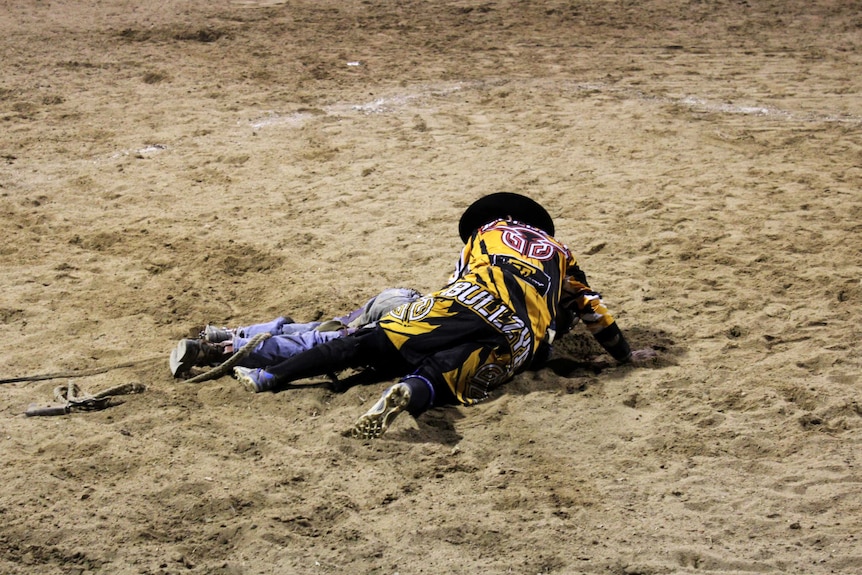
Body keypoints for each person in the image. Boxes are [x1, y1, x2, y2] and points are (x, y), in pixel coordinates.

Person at [233, 192, 657, 439]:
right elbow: (594, 312)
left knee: (363, 342)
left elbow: (455, 281)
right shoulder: (562, 255)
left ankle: (268, 378)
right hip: (519, 337)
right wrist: (624, 356)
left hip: (466, 299)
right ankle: (408, 391)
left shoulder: (484, 234)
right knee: (442, 375)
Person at [169, 287, 422, 378]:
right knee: (323, 341)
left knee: (327, 329)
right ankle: (225, 351)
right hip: (411, 323)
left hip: (403, 296)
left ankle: (229, 335)